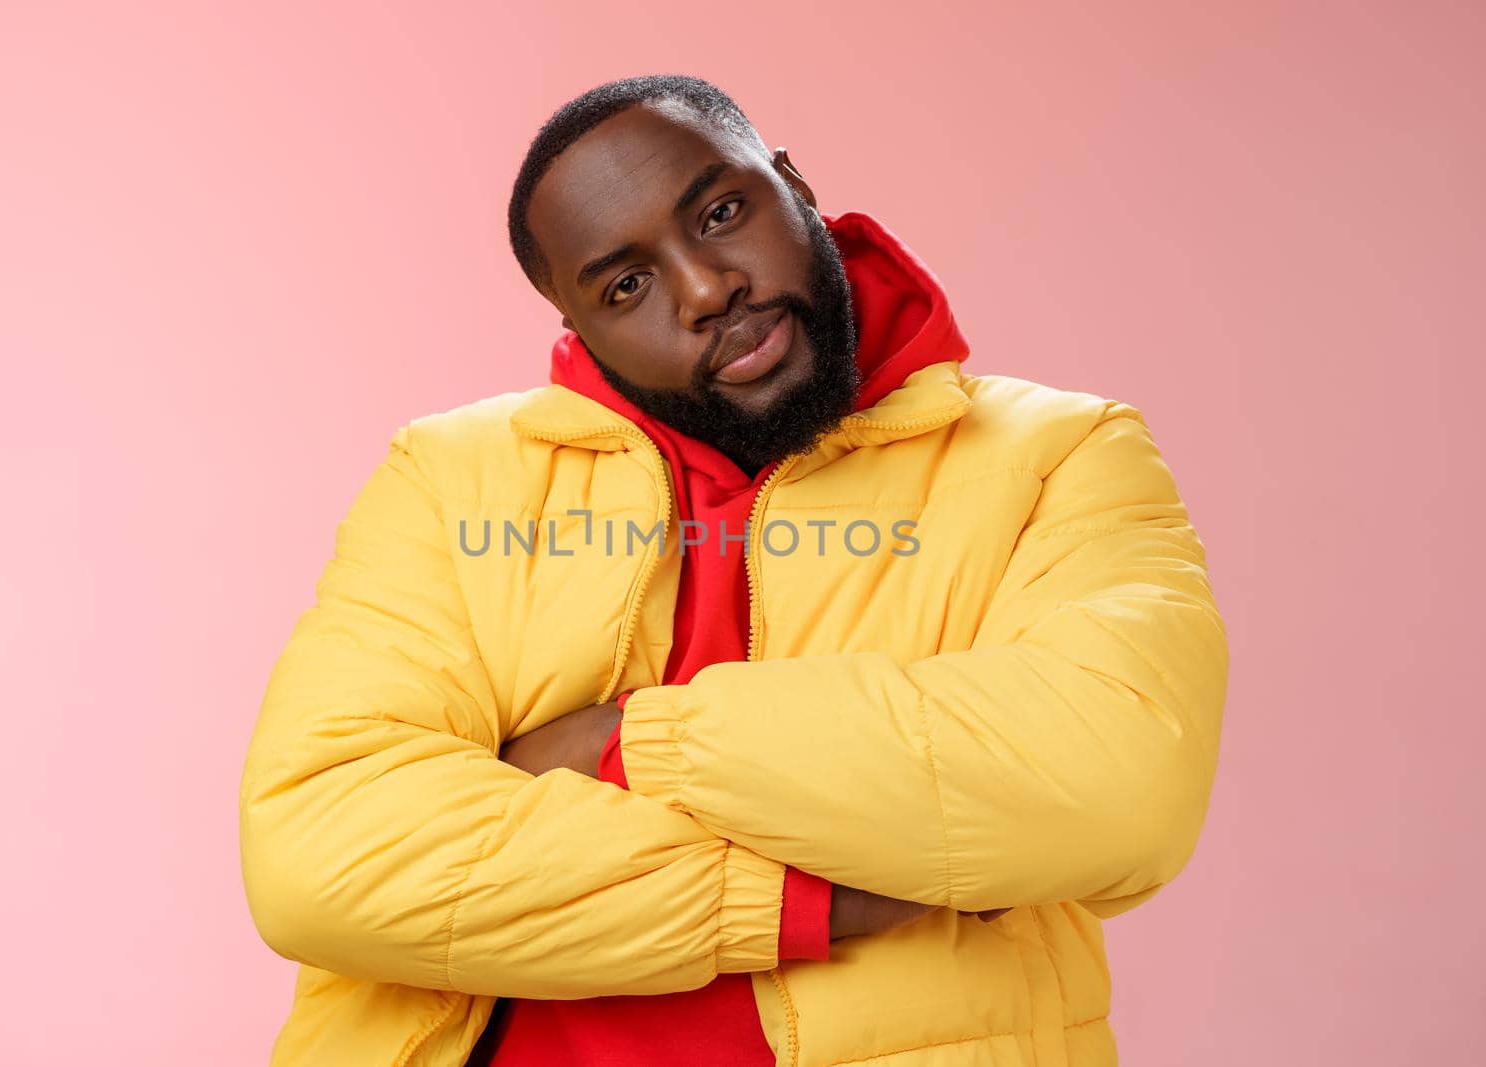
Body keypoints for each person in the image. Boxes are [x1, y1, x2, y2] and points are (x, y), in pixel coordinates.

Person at [239, 74, 1229, 1067]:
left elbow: (1115, 791)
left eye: (720, 212)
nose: (707, 288)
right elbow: (316, 857)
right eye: (627, 285)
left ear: (792, 183)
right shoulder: (451, 476)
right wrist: (801, 900)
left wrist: (625, 745)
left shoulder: (1059, 452)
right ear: (580, 330)